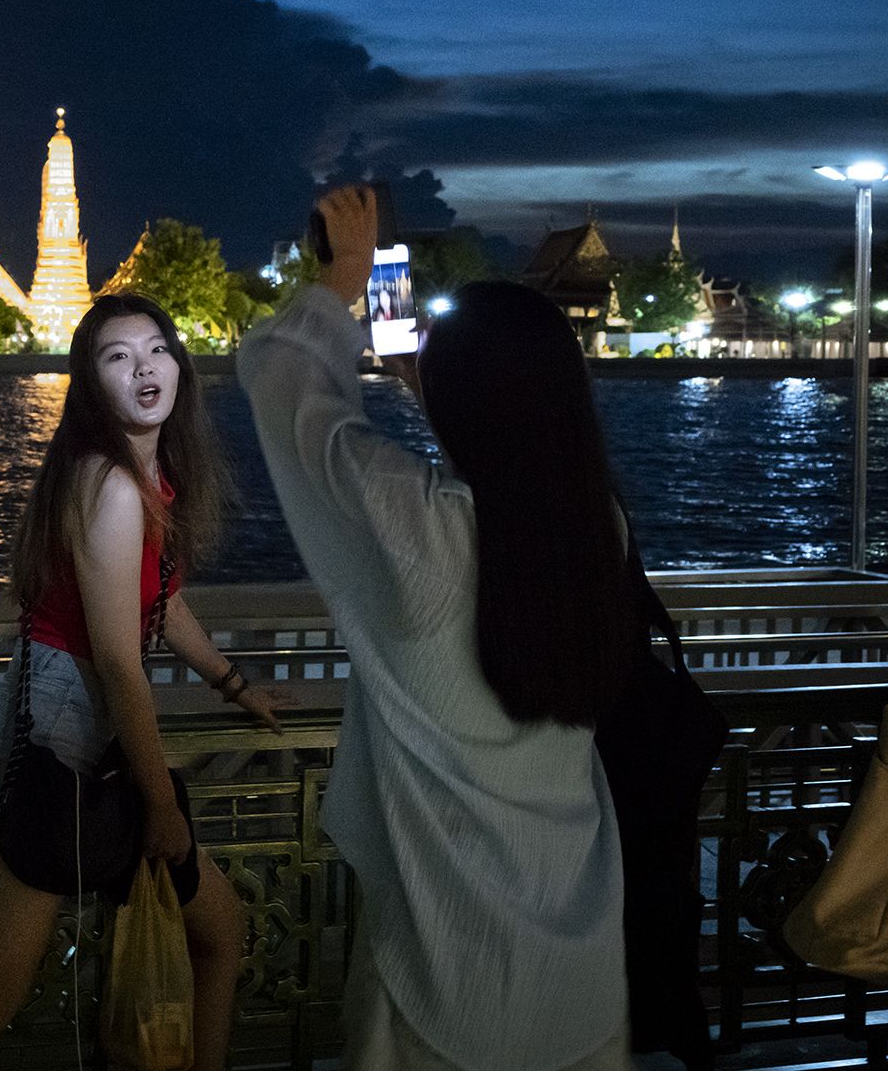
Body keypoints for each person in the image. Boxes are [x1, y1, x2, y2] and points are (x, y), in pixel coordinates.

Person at [236, 186, 641, 1071]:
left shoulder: (419, 527)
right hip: (579, 957)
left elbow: (283, 383)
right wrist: (417, 353)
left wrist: (346, 276)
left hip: (444, 961)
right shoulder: (594, 529)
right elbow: (506, 446)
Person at [0, 293, 294, 1071]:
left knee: (218, 933)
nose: (144, 368)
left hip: (91, 731)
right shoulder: (111, 486)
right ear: (91, 382)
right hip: (58, 732)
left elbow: (161, 600)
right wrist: (161, 805)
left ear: (178, 365)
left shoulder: (145, 478)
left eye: (156, 349)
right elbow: (119, 659)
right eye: (116, 356)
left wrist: (232, 683)